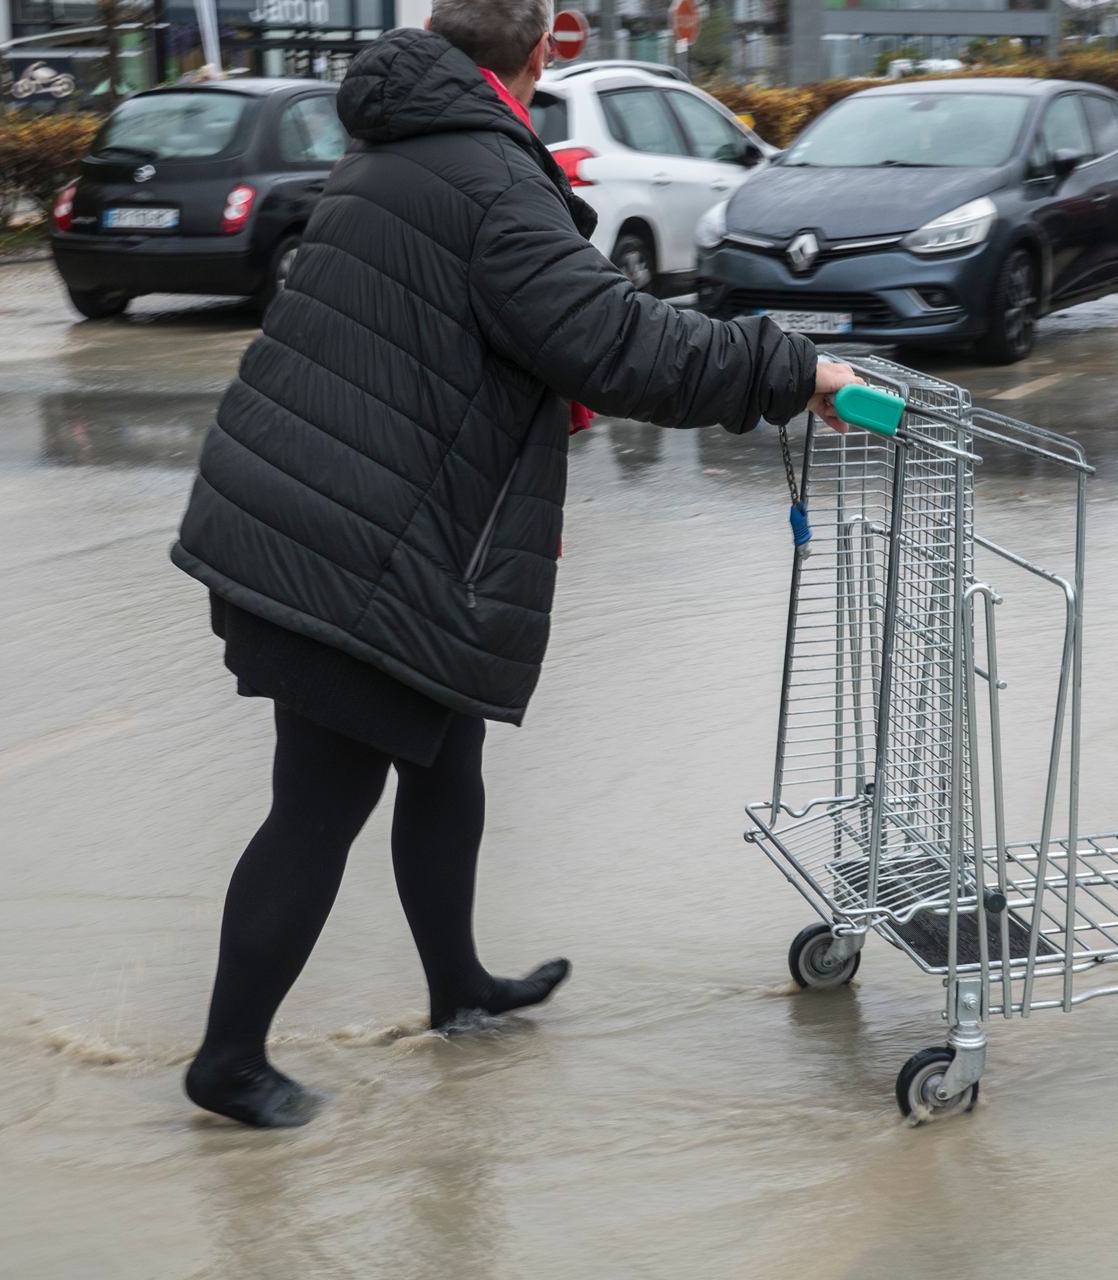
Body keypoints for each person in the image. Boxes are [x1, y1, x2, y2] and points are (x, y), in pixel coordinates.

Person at [169, 0, 861, 1129]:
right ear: (541, 52)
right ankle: (229, 1059)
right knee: (321, 797)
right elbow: (616, 342)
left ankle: (459, 988)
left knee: (445, 755)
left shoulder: (401, 147)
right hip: (354, 535)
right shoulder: (486, 177)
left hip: (318, 502)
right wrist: (796, 371)